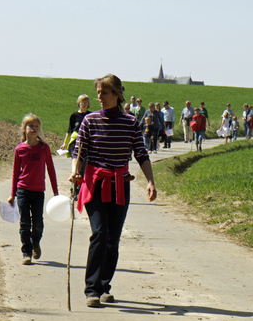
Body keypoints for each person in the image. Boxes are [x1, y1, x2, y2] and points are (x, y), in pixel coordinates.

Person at [70, 74, 156, 308]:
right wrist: (75, 171)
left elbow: (141, 153)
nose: (100, 97)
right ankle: (91, 289)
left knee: (112, 239)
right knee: (99, 232)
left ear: (117, 94)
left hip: (120, 185)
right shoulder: (90, 121)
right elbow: (80, 151)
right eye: (98, 92)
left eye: (104, 93)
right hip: (95, 185)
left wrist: (150, 181)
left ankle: (104, 285)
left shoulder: (130, 123)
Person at [8, 113, 59, 265]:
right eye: (31, 126)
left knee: (38, 223)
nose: (34, 129)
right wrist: (12, 195)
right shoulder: (20, 149)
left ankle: (35, 242)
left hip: (38, 192)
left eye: (37, 126)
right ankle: (26, 253)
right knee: (25, 223)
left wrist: (56, 193)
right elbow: (15, 173)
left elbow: (51, 170)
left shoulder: (44, 148)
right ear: (24, 129)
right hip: (22, 190)